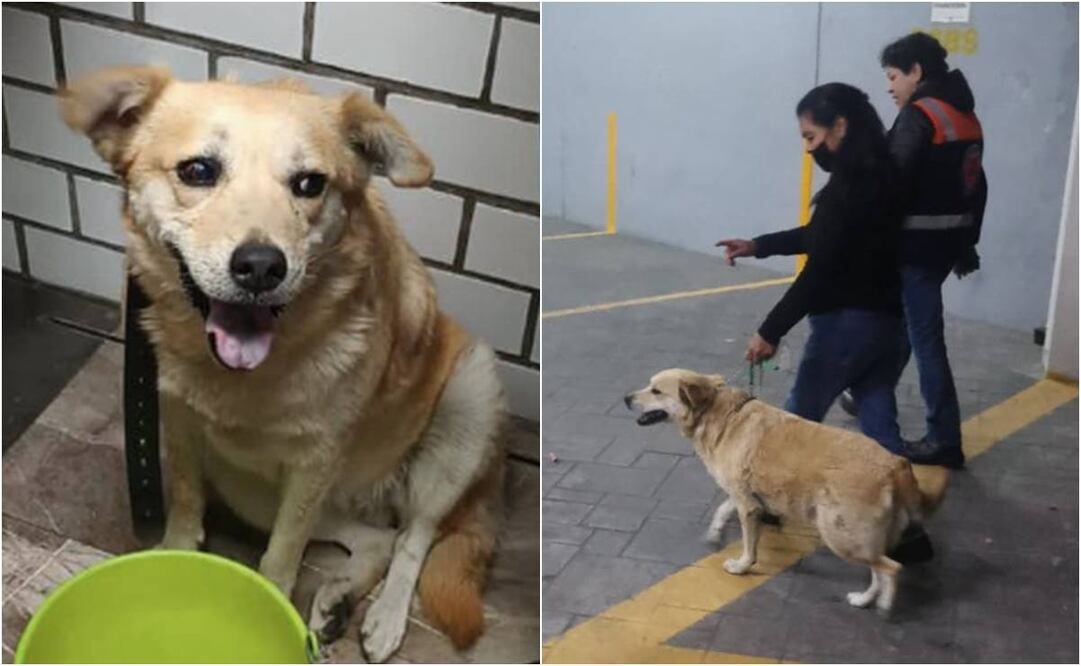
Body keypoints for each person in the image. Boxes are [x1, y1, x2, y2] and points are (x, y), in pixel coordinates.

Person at [716, 82, 907, 454]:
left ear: (840, 126)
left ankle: (775, 490)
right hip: (887, 322)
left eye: (811, 136)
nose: (807, 148)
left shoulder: (852, 186)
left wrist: (769, 331)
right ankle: (897, 486)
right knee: (878, 419)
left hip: (845, 324)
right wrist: (759, 245)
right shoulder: (882, 173)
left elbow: (821, 269)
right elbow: (822, 237)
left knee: (795, 425)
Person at [841, 33, 987, 470]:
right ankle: (868, 394)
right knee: (906, 326)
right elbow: (977, 185)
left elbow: (890, 181)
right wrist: (967, 243)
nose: (889, 87)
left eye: (893, 76)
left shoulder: (919, 116)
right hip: (943, 247)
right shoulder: (964, 116)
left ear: (916, 71)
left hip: (914, 248)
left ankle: (945, 439)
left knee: (924, 340)